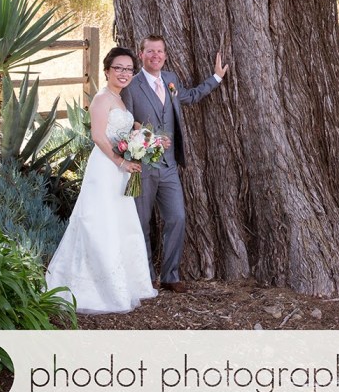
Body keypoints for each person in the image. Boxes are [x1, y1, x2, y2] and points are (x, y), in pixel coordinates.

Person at [46, 47, 157, 314]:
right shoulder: (101, 98)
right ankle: (94, 288)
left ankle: (123, 284)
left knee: (119, 222)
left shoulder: (119, 98)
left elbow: (124, 130)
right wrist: (121, 162)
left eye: (129, 69)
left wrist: (145, 138)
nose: (124, 73)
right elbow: (98, 136)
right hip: (105, 168)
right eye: (118, 68)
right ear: (107, 71)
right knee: (99, 222)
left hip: (120, 170)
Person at [121, 35, 228, 293]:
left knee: (177, 217)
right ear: (141, 54)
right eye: (150, 51)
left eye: (159, 51)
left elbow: (190, 97)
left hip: (169, 167)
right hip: (141, 167)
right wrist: (148, 138)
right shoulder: (131, 86)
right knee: (141, 223)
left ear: (165, 55)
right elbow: (125, 126)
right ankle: (146, 276)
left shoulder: (170, 79)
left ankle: (170, 275)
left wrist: (216, 78)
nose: (155, 56)